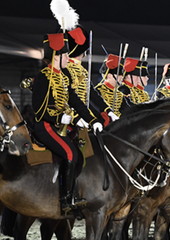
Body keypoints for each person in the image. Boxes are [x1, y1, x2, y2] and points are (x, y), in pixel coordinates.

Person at [32, 32, 103, 214]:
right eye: (65, 55)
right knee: (70, 153)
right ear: (57, 56)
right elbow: (38, 108)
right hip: (45, 126)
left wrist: (92, 120)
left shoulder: (64, 77)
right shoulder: (43, 77)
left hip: (61, 125)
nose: (68, 57)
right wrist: (58, 118)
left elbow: (77, 103)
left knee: (81, 150)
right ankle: (66, 200)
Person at [66, 25, 118, 126]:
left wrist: (107, 110)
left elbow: (92, 95)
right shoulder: (66, 69)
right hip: (69, 117)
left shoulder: (83, 71)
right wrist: (76, 118)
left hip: (85, 114)